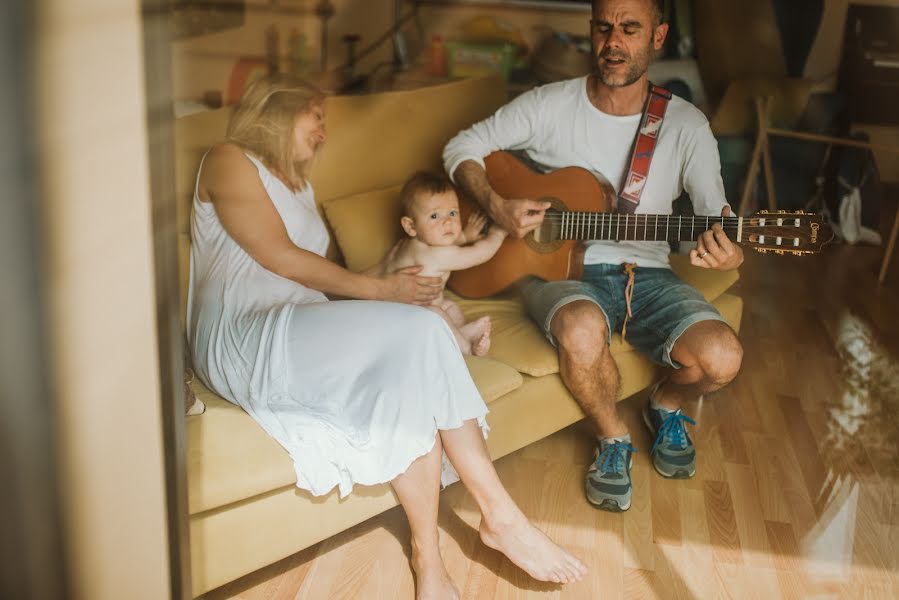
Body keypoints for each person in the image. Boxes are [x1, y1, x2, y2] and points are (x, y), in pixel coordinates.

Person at [187, 74, 586, 598]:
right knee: (420, 333)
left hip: (300, 322)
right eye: (317, 116)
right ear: (279, 109)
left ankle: (430, 560)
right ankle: (502, 518)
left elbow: (322, 277)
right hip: (243, 332)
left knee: (413, 363)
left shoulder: (302, 188)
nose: (324, 132)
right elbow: (280, 257)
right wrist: (380, 291)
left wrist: (387, 288)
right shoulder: (228, 158)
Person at [443, 0, 744, 513]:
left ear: (658, 37)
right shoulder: (549, 104)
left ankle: (665, 404)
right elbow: (462, 146)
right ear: (591, 31)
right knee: (581, 328)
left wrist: (727, 247)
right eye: (604, 29)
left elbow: (715, 213)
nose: (613, 43)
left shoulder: (684, 124)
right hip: (559, 274)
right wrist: (498, 204)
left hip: (647, 273)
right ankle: (612, 438)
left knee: (724, 357)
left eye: (630, 29)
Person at [381, 171, 508, 356]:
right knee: (436, 313)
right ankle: (466, 349)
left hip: (406, 316)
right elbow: (480, 254)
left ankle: (462, 333)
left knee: (448, 306)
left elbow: (440, 247)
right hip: (409, 324)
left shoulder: (409, 245)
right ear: (411, 226)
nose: (448, 221)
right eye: (434, 216)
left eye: (452, 212)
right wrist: (499, 232)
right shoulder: (437, 256)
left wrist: (464, 236)